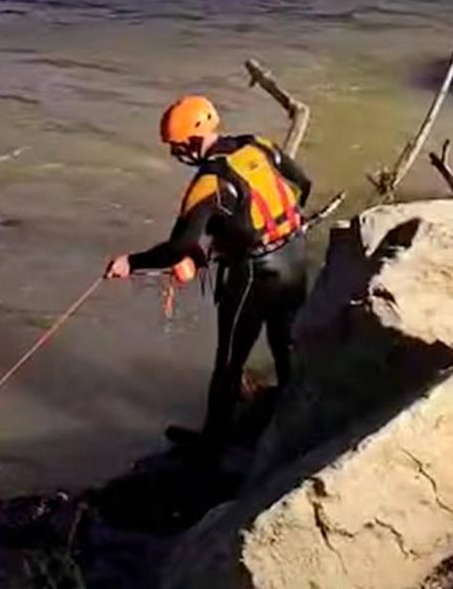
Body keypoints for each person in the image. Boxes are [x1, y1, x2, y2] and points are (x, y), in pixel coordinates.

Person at [105, 95, 312, 456]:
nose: (175, 154)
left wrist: (131, 263)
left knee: (229, 361)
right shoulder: (258, 145)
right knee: (284, 341)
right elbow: (303, 184)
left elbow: (177, 248)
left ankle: (211, 447)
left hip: (254, 274)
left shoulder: (209, 183)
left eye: (176, 146)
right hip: (295, 254)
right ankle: (295, 423)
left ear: (193, 140)